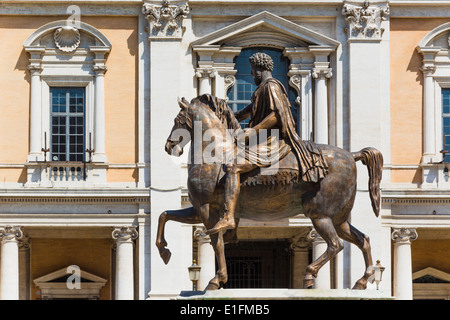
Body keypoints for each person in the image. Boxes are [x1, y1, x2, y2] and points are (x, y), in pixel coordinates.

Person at [205, 52, 328, 235]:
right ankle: (233, 224)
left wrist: (252, 131)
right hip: (261, 140)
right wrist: (227, 116)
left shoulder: (271, 86)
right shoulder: (261, 89)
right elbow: (247, 112)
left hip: (271, 141)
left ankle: (230, 218)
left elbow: (276, 115)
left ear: (260, 70)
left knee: (233, 166)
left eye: (253, 71)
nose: (252, 75)